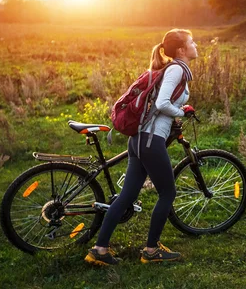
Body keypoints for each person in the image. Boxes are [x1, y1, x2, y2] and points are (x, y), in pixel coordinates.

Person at [85, 29, 198, 266]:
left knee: (127, 196)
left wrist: (174, 116)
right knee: (168, 193)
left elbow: (159, 105)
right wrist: (181, 112)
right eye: (191, 42)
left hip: (139, 139)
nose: (195, 45)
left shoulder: (174, 69)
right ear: (181, 50)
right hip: (149, 140)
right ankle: (151, 250)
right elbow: (162, 103)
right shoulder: (176, 69)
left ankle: (99, 250)